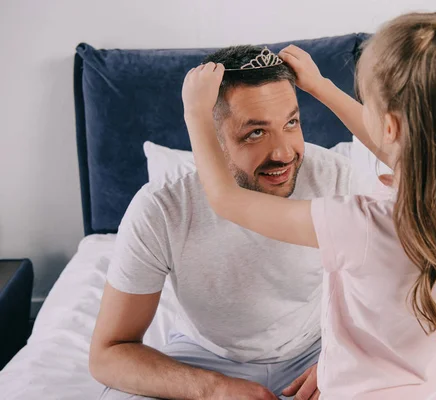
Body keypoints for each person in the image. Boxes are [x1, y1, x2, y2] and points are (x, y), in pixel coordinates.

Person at [183, 12, 436, 399]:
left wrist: (196, 113)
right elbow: (391, 143)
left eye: (364, 100)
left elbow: (226, 199)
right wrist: (320, 87)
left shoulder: (363, 225)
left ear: (389, 125)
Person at [90, 45, 357, 400]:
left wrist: (343, 359)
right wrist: (213, 389)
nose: (283, 153)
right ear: (210, 139)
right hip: (206, 359)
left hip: (317, 351)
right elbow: (108, 353)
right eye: (255, 133)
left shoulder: (338, 180)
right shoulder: (162, 208)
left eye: (291, 123)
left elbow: (398, 303)